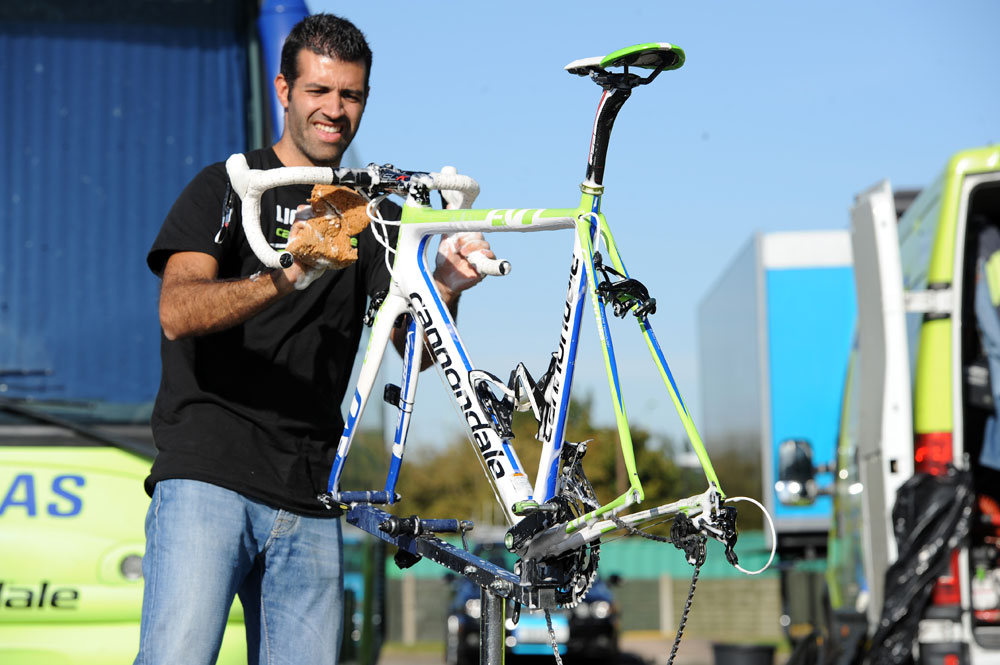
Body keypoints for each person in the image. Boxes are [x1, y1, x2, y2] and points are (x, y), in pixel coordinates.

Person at [135, 13, 492, 665]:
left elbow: (413, 349)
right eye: (318, 91)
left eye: (349, 94)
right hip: (207, 477)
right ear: (284, 90)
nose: (334, 109)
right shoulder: (226, 185)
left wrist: (446, 284)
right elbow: (177, 310)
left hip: (311, 492)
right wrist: (290, 272)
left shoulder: (370, 213)